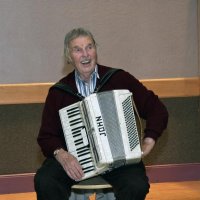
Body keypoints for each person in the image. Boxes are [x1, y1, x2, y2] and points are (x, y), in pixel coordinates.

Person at [34, 27, 168, 200]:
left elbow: (157, 109)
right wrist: (62, 155)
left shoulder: (119, 79)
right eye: (78, 49)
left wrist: (150, 138)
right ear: (69, 56)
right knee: (45, 181)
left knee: (136, 185)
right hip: (74, 159)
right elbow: (46, 136)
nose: (85, 54)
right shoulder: (59, 92)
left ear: (96, 50)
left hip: (118, 161)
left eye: (89, 47)